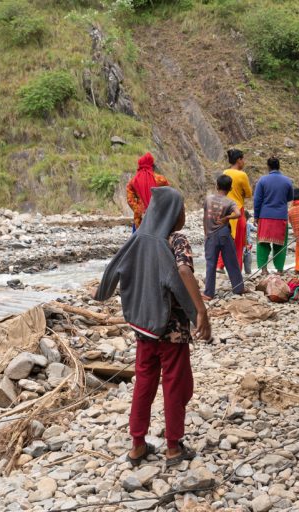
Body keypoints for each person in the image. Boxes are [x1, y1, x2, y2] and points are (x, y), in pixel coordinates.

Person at [95, 187, 211, 468]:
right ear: (172, 212)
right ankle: (173, 447)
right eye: (181, 209)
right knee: (175, 384)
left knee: (144, 383)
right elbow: (182, 272)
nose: (183, 215)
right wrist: (199, 311)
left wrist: (102, 293)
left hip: (143, 327)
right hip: (171, 331)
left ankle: (137, 445)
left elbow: (112, 269)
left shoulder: (138, 239)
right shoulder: (175, 239)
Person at [203, 175, 244, 299]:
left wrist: (206, 233)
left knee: (211, 264)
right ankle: (238, 288)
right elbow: (238, 214)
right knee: (232, 262)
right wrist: (227, 218)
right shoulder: (230, 202)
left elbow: (205, 217)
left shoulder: (208, 199)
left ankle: (209, 293)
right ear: (230, 188)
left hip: (211, 235)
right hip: (225, 233)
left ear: (217, 185)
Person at [253, 157, 294, 274]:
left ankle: (264, 269)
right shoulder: (287, 181)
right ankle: (280, 269)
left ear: (268, 167)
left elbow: (257, 200)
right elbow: (290, 197)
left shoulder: (262, 180)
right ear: (279, 166)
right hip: (281, 217)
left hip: (265, 216)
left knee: (262, 244)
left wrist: (256, 216)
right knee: (280, 245)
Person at [218, 149, 252, 270]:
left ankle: (220, 265)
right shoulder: (242, 175)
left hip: (224, 209)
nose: (244, 162)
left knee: (224, 237)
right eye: (243, 159)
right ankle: (237, 268)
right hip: (238, 209)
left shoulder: (225, 172)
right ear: (239, 160)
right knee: (238, 240)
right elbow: (248, 193)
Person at [126, 152, 170, 230]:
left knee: (140, 239)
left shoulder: (133, 181)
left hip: (140, 219)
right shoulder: (160, 179)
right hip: (158, 215)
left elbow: (130, 200)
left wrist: (138, 210)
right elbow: (168, 194)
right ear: (151, 165)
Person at [243, 211, 256, 275]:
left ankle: (248, 273)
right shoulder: (247, 224)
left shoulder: (248, 224)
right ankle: (246, 273)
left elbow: (256, 229)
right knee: (247, 260)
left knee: (248, 261)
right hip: (244, 246)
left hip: (247, 247)